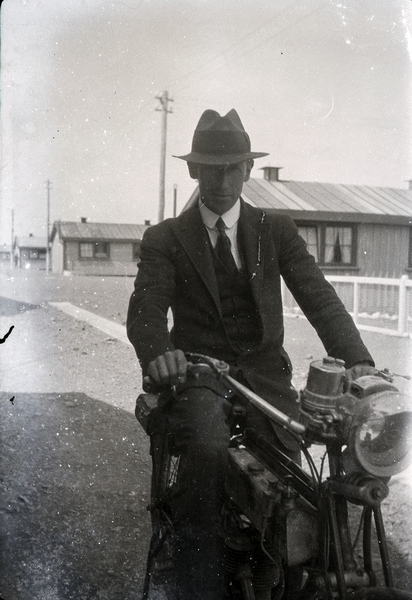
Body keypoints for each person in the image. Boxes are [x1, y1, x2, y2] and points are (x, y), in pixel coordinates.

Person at [127, 109, 375, 599]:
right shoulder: (165, 239)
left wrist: (357, 358)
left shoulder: (273, 230)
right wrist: (159, 355)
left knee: (318, 461)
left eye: (232, 168)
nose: (222, 180)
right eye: (211, 169)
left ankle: (321, 575)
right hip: (199, 376)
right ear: (194, 171)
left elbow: (317, 295)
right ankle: (199, 580)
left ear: (247, 170)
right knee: (206, 450)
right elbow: (147, 309)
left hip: (266, 379)